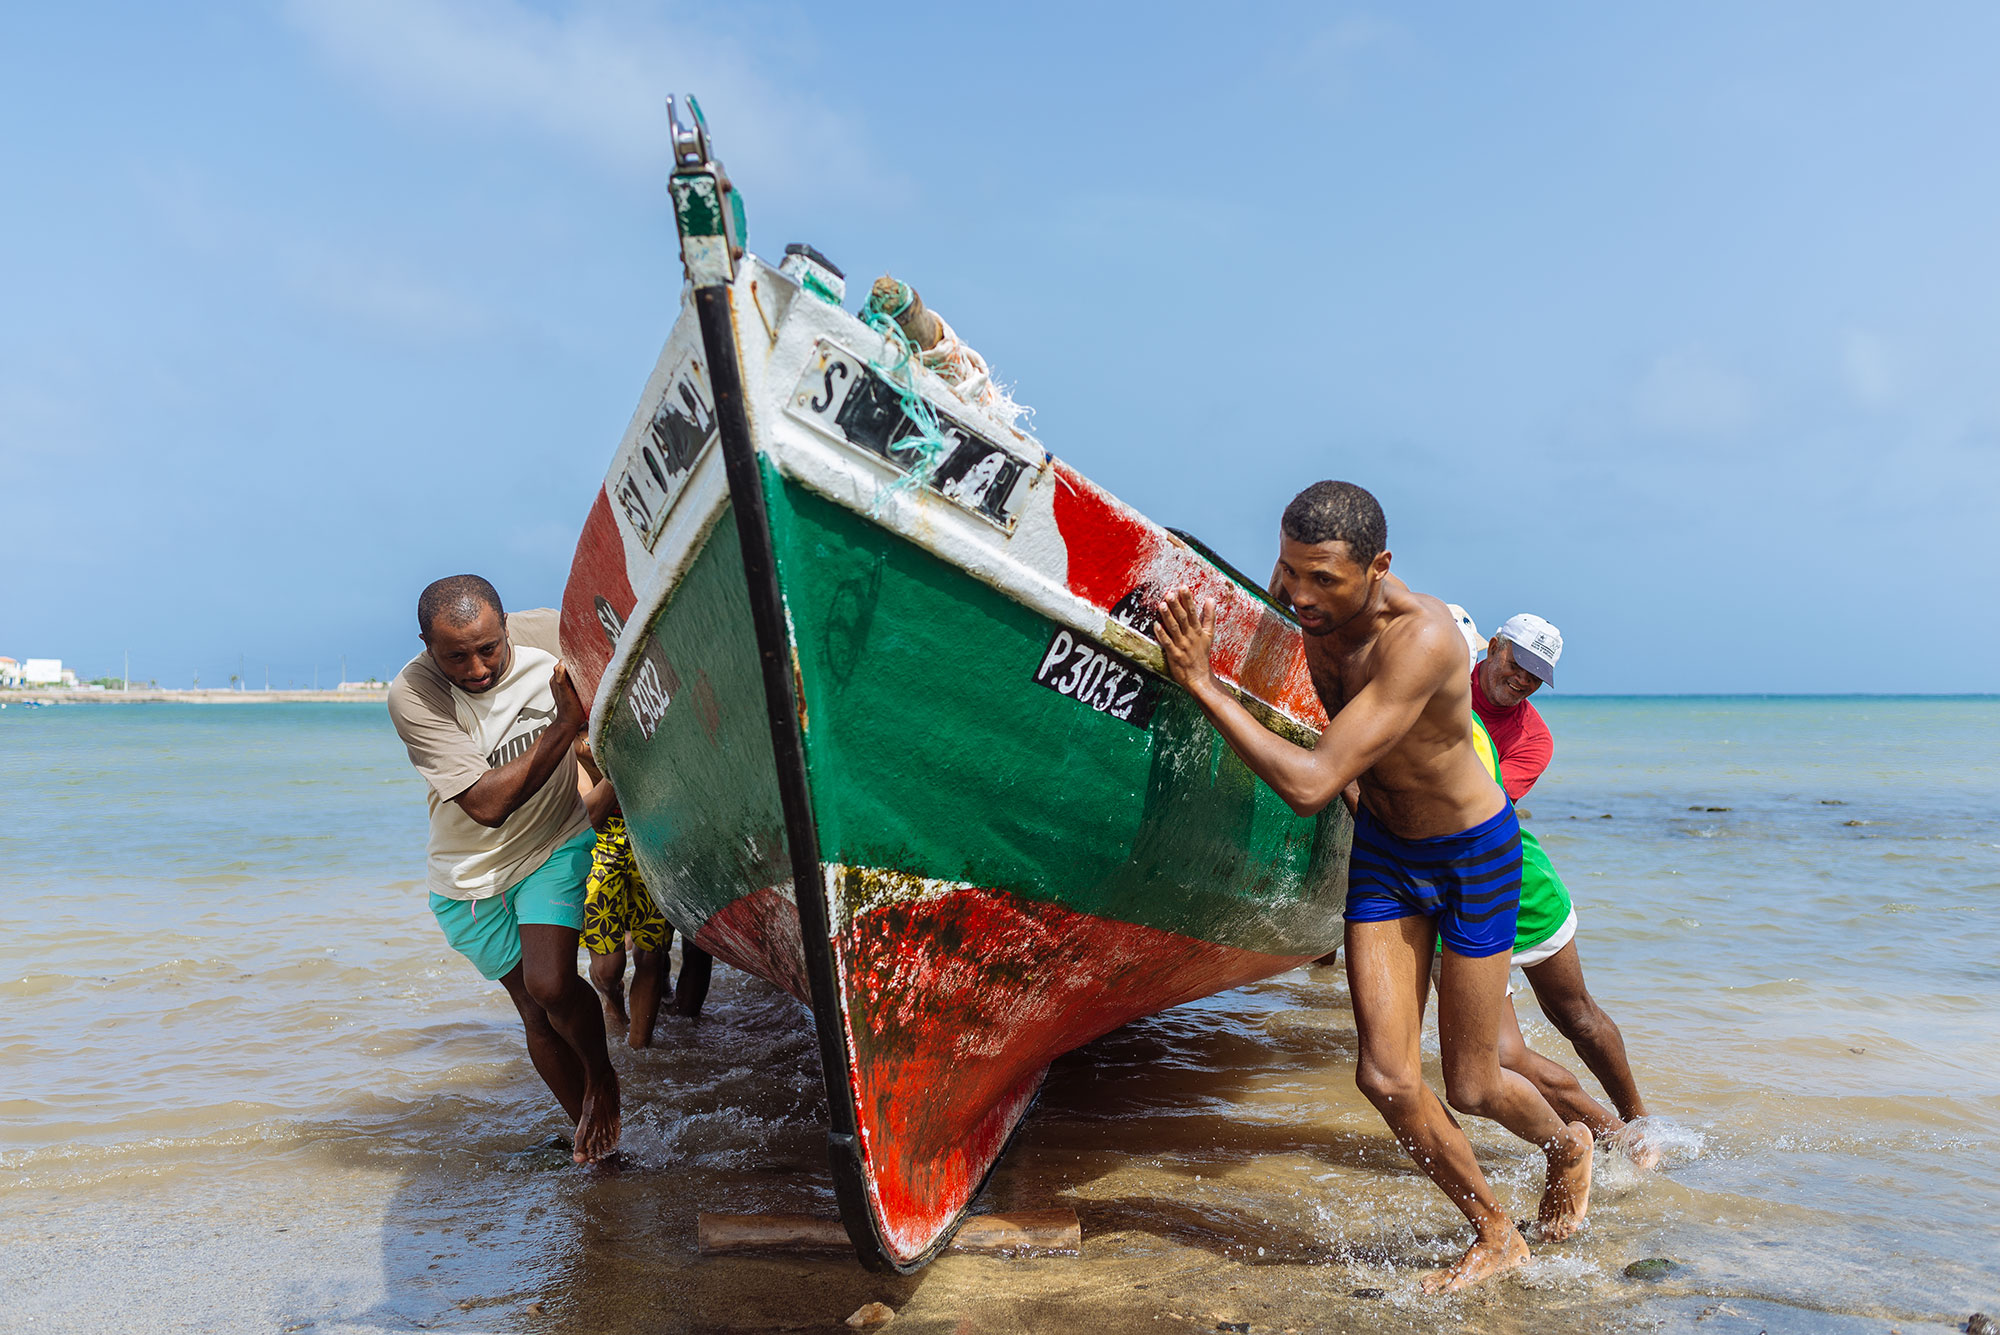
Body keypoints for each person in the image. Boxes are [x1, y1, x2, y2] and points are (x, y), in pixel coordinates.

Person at [1156, 482, 1592, 1294]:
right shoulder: (1303, 594)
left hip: (1474, 856)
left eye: (1324, 578)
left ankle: (1567, 1143)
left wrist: (1204, 684)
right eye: (1291, 573)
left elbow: (1315, 782)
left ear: (1379, 566)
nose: (1301, 597)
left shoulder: (1422, 640)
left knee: (1474, 1079)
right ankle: (1495, 1230)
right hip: (1389, 852)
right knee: (1386, 1078)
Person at [387, 574, 621, 1164]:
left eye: (488, 648)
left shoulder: (550, 635)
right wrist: (564, 726)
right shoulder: (414, 694)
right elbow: (487, 806)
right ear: (424, 644)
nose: (476, 668)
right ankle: (598, 1147)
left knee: (552, 984)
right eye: (455, 656)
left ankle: (603, 1078)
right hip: (467, 873)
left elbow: (627, 634)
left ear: (506, 626)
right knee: (536, 1016)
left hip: (553, 843)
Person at [1472, 614, 1656, 1164]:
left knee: (1575, 1013)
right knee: (1501, 1055)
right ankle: (1607, 1140)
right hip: (1445, 892)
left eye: (1537, 675)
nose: (1524, 680)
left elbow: (1474, 806)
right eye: (1517, 663)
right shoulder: (1439, 677)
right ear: (1494, 646)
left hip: (1514, 878)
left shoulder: (1534, 737)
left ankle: (1642, 1121)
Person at [574, 739, 713, 1046]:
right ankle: (612, 999)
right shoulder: (571, 729)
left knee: (651, 953)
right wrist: (622, 763)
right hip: (600, 842)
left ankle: (640, 1051)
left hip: (652, 833)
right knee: (608, 970)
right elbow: (589, 815)